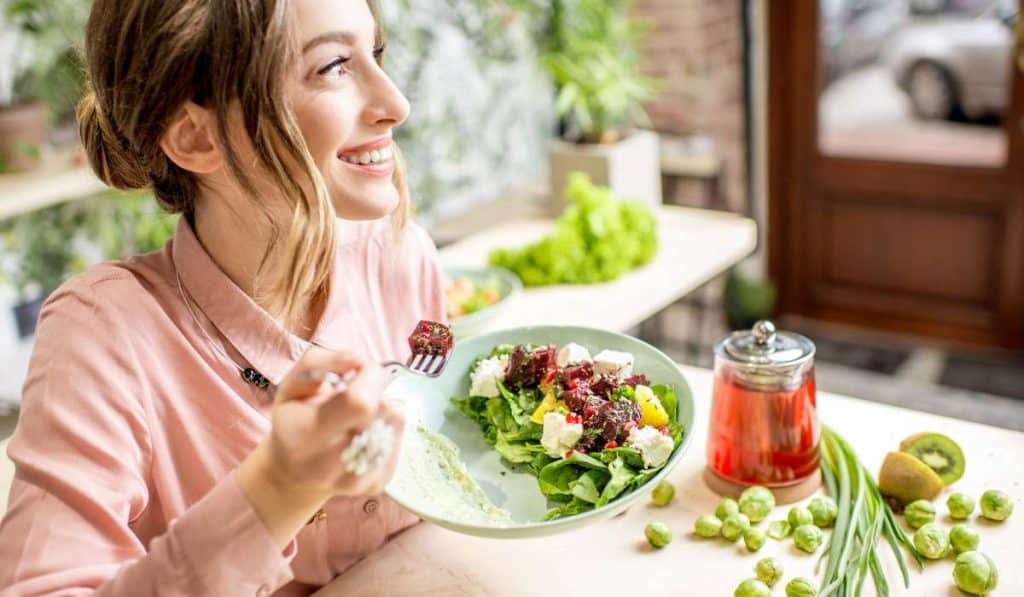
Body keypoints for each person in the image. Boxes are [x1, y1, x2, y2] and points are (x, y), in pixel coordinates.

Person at [0, 0, 444, 594]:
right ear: (195, 136)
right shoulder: (102, 336)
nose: (396, 103)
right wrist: (280, 487)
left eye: (375, 53)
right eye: (334, 66)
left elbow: (443, 460)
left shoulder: (401, 256)